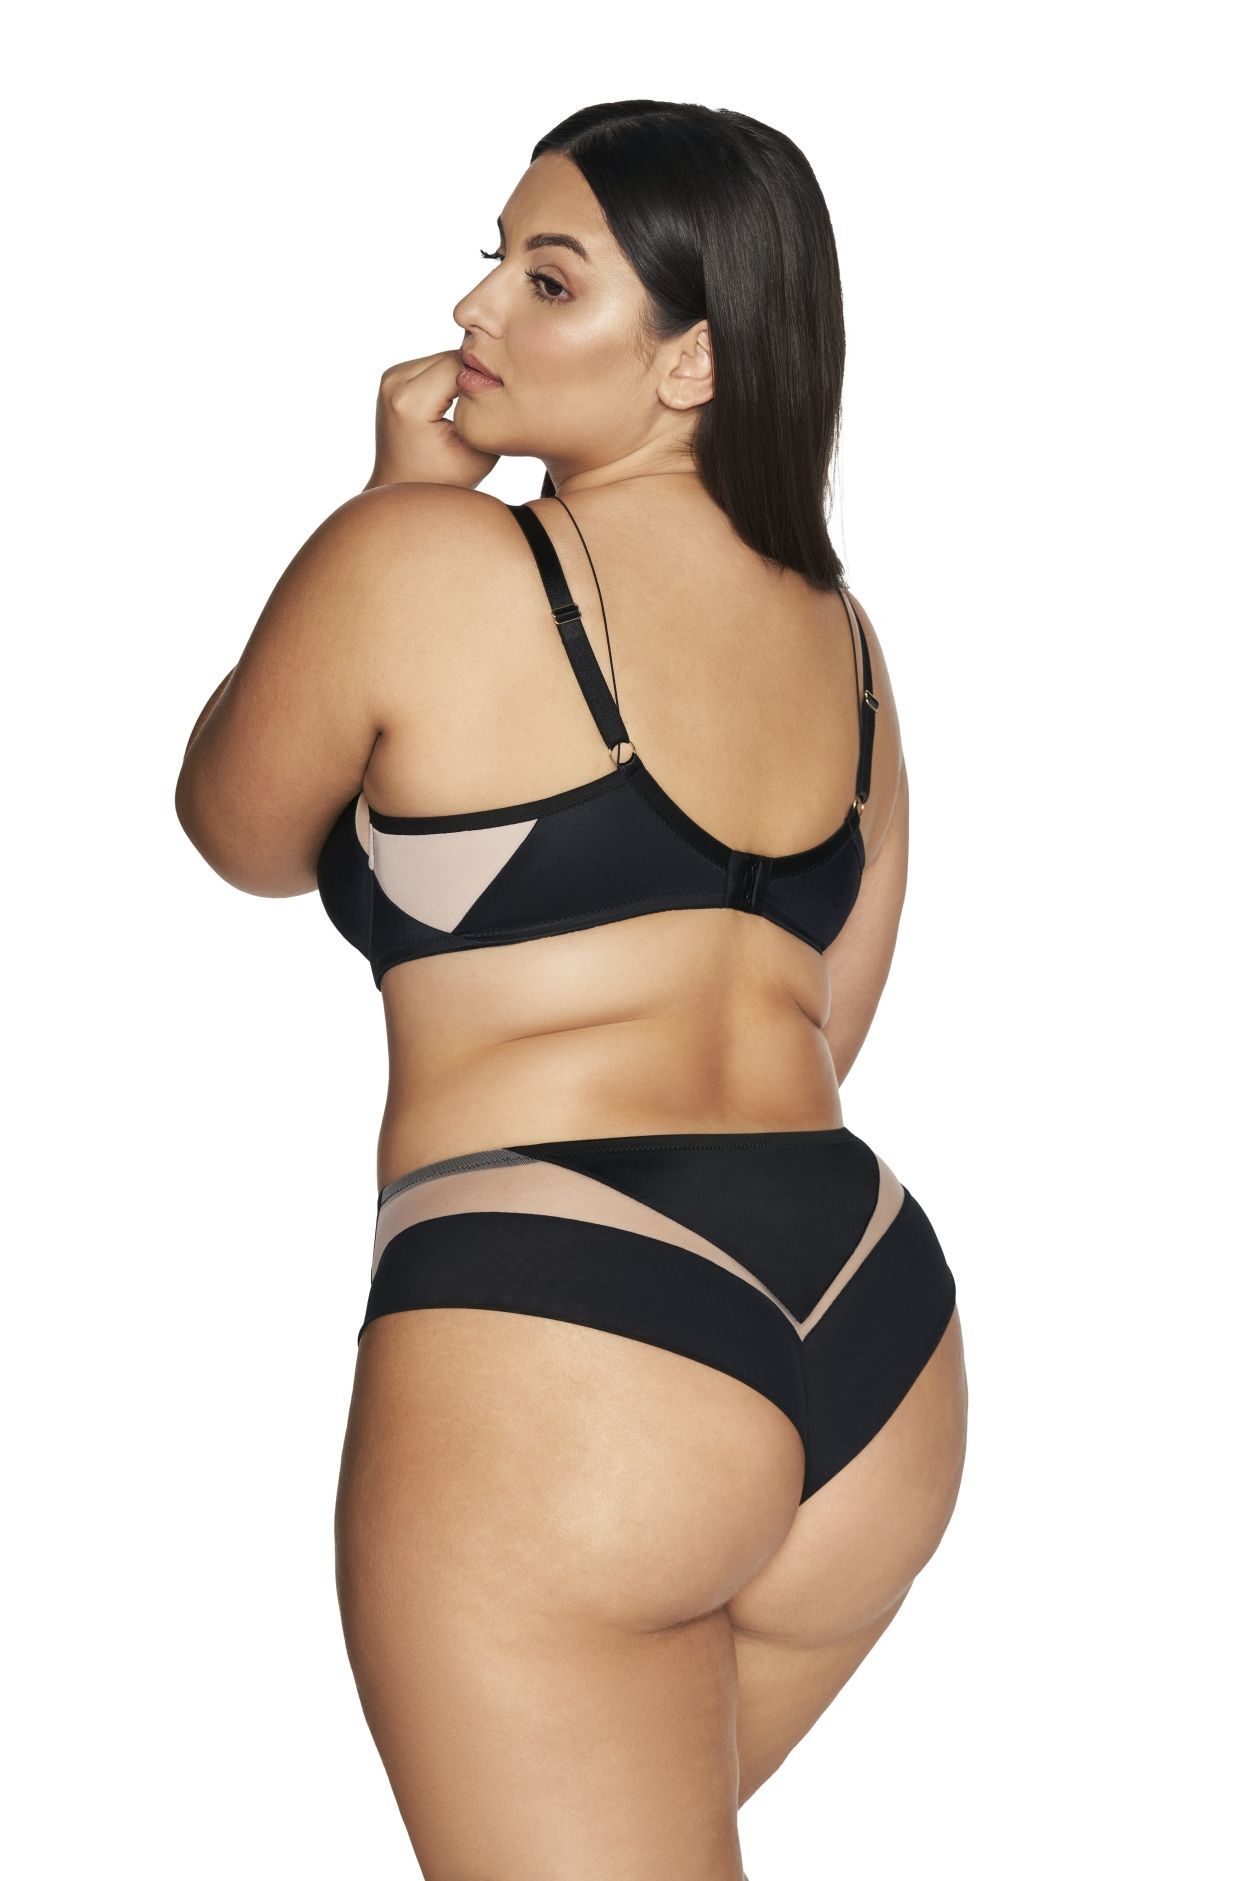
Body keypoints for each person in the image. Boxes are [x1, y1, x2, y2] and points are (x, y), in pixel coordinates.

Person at [175, 99, 969, 1881]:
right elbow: (830, 1016)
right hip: (869, 1325)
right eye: (492, 262)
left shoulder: (416, 562)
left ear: (692, 361)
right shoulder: (841, 643)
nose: (472, 311)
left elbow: (237, 824)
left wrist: (397, 501)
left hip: (572, 1333)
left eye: (548, 280)